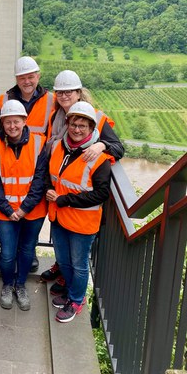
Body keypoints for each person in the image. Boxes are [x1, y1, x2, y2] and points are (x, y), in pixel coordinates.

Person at [41, 70, 124, 292]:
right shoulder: (56, 115)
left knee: (77, 254)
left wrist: (102, 145)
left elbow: (119, 147)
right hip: (59, 189)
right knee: (61, 239)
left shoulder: (96, 117)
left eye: (69, 91)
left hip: (79, 199)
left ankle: (72, 288)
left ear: (79, 92)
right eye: (60, 91)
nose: (64, 95)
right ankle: (61, 268)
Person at [46, 101, 114, 323]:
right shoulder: (59, 147)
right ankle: (70, 292)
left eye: (82, 126)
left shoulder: (98, 158)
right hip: (59, 217)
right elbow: (52, 176)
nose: (76, 129)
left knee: (78, 264)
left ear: (92, 129)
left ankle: (76, 300)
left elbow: (101, 194)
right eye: (74, 124)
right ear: (67, 124)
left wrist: (65, 199)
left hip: (82, 223)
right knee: (64, 261)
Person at [0, 100, 48, 311]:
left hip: (33, 211)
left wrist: (23, 209)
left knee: (26, 250)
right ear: (2, 123)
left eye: (16, 121)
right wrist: (9, 210)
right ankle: (7, 285)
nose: (12, 126)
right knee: (7, 254)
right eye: (7, 122)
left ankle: (20, 285)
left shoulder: (40, 143)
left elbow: (40, 181)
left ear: (24, 120)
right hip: (7, 212)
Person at [0, 56, 54, 136]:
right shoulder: (5, 100)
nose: (27, 82)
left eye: (30, 77)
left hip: (41, 148)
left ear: (38, 77)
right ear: (16, 79)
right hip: (11, 148)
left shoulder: (51, 100)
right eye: (22, 78)